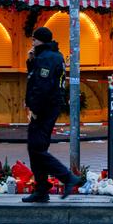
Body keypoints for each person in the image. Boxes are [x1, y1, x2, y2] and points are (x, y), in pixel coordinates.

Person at [21, 27, 80, 202]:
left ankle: (67, 177)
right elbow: (37, 77)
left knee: (36, 148)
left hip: (44, 108)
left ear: (40, 40)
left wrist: (36, 109)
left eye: (34, 40)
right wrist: (31, 61)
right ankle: (41, 189)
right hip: (50, 107)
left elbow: (42, 86)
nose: (32, 43)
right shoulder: (53, 55)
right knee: (36, 148)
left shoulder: (46, 58)